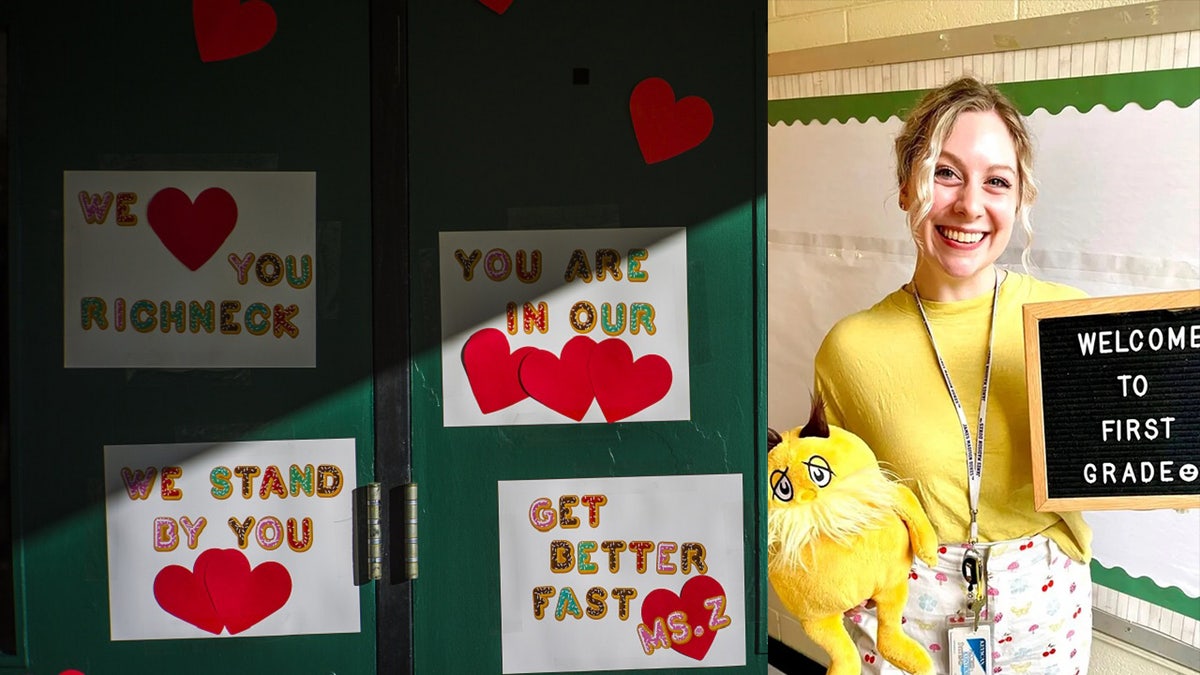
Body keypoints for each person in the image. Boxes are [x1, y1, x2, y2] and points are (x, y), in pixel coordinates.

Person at [811, 76, 1093, 674]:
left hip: (1044, 619)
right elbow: (826, 501)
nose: (970, 204)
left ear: (1020, 200)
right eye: (945, 172)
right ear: (905, 187)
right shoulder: (849, 349)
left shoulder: (1072, 325)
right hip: (901, 624)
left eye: (996, 180)